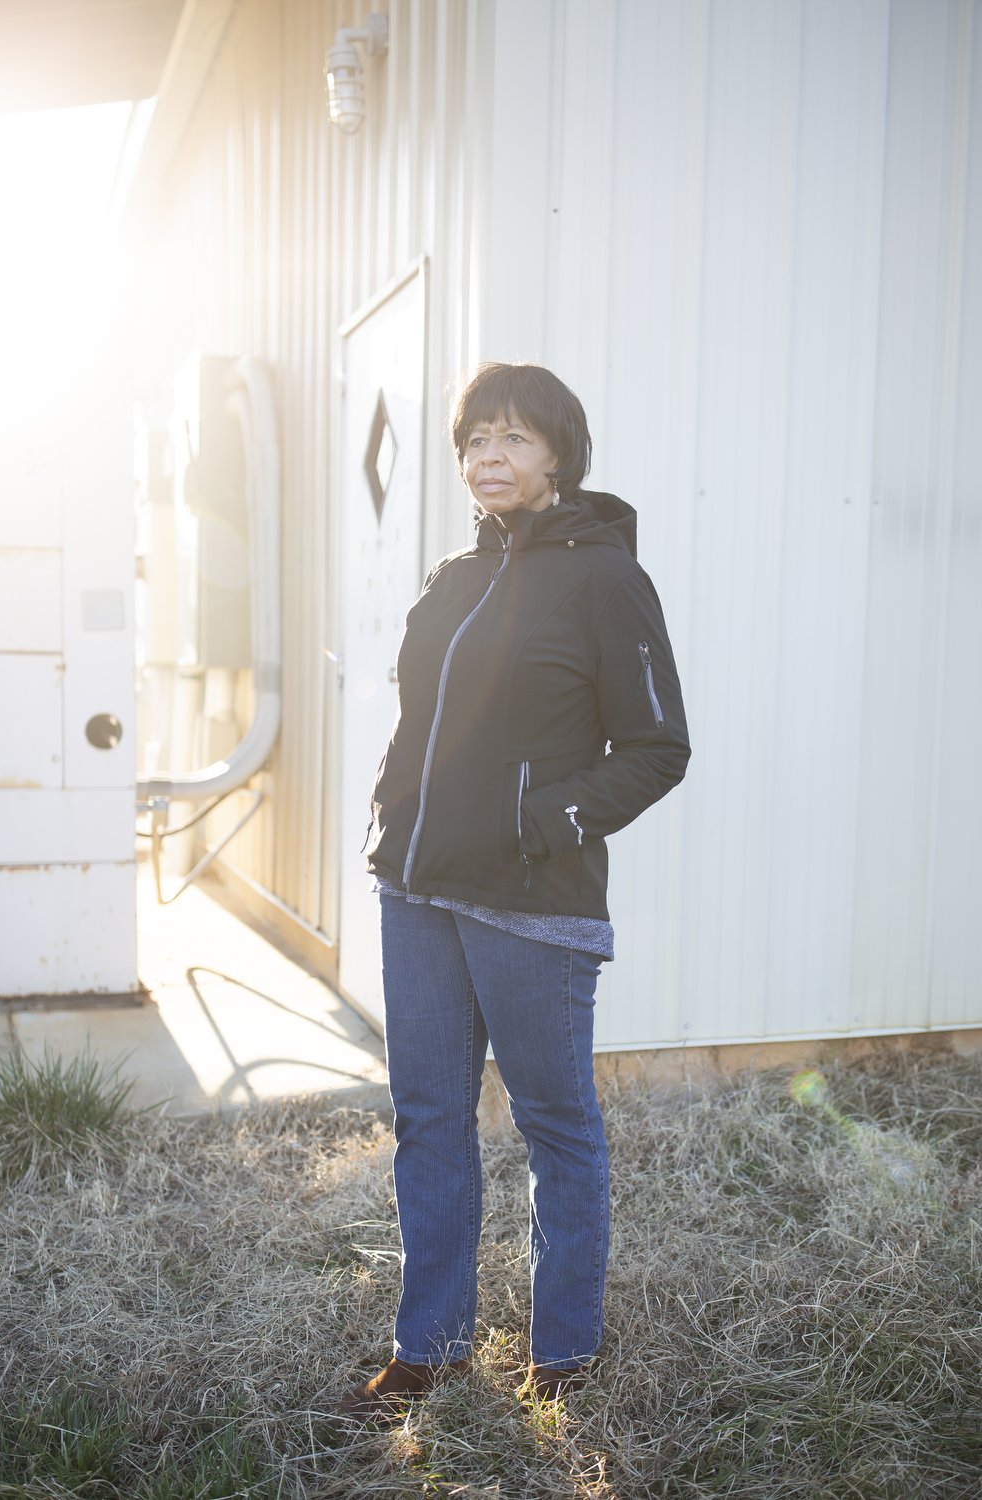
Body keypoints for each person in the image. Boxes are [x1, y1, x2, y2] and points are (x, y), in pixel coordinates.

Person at [340, 362, 690, 1419]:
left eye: (512, 439)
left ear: (557, 455)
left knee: (553, 1124)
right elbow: (420, 720)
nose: (488, 458)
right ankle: (430, 1343)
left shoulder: (603, 578)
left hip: (534, 901)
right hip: (419, 890)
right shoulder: (452, 576)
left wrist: (540, 823)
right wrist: (392, 819)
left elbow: (655, 748)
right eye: (473, 441)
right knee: (428, 1119)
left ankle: (565, 1349)